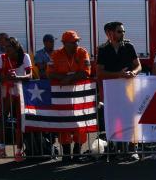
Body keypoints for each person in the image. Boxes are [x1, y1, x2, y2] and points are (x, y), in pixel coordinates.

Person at [97, 21, 141, 160]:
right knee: (115, 119)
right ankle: (118, 149)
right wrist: (118, 74)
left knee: (132, 117)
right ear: (110, 33)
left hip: (129, 89)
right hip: (112, 91)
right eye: (119, 31)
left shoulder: (129, 46)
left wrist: (134, 72)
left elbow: (138, 65)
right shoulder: (103, 49)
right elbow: (100, 72)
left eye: (123, 31)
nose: (122, 34)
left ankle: (133, 149)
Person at [48, 30, 92, 162]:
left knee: (80, 123)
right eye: (73, 42)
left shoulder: (83, 52)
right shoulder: (56, 55)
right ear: (64, 43)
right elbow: (50, 73)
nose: (76, 44)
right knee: (63, 122)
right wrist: (68, 78)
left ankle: (77, 150)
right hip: (62, 97)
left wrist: (68, 78)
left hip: (80, 96)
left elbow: (86, 72)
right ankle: (66, 153)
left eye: (77, 41)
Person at [0, 37, 31, 161]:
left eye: (9, 47)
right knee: (1, 118)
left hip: (21, 92)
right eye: (5, 47)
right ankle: (1, 147)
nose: (6, 49)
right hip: (6, 91)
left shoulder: (24, 56)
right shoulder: (1, 57)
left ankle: (19, 151)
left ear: (15, 47)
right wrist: (5, 77)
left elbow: (30, 75)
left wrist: (17, 77)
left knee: (20, 121)